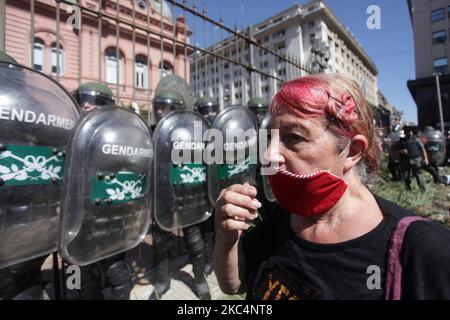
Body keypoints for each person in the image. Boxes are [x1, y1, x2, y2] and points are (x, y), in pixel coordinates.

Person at [213, 74, 450, 300]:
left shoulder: (422, 249)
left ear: (353, 151)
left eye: (293, 137)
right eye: (270, 137)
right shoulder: (285, 215)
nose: (268, 154)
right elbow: (234, 284)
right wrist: (227, 238)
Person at [70, 82, 132, 300]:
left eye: (94, 101)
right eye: (82, 99)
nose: (86, 105)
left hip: (110, 214)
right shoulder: (67, 130)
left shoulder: (121, 135)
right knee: (76, 272)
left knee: (115, 269)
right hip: (74, 217)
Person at [151, 89, 211, 300]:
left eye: (165, 107)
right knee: (160, 244)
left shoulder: (191, 132)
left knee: (195, 241)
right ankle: (162, 281)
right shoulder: (151, 132)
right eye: (158, 106)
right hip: (161, 197)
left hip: (186, 195)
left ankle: (199, 279)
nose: (160, 111)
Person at [397, 126, 427, 192]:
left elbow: (422, 148)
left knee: (419, 174)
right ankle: (408, 189)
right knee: (406, 175)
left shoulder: (416, 139)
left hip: (416, 159)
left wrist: (426, 159)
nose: (409, 133)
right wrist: (402, 151)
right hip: (405, 160)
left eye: (410, 131)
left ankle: (422, 189)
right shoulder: (401, 141)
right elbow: (396, 151)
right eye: (407, 131)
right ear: (405, 132)